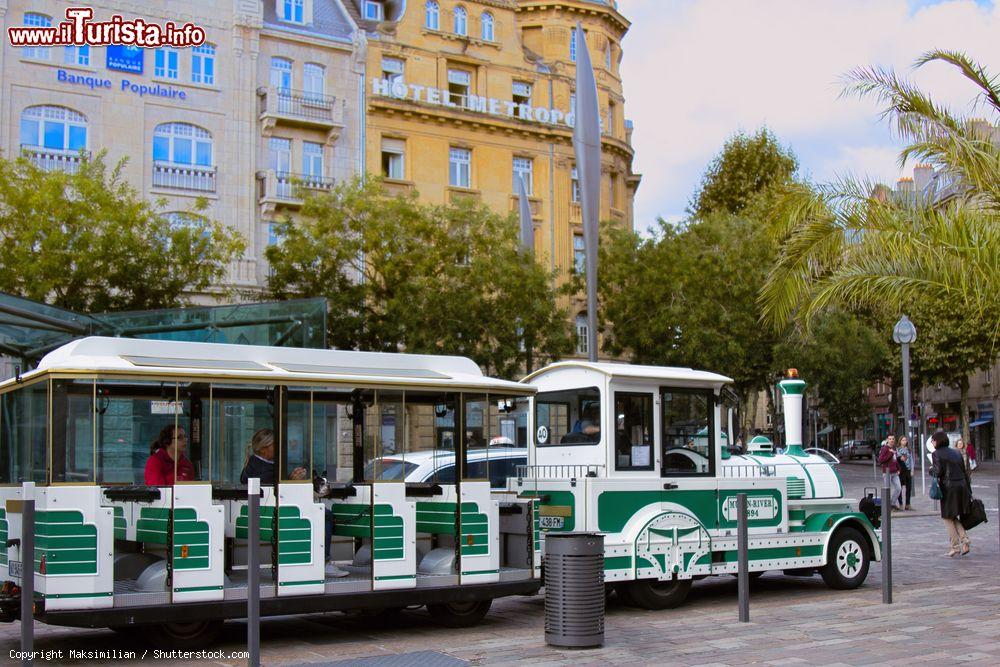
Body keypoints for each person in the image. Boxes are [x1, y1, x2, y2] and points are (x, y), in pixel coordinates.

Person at [240, 429, 348, 578]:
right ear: (264, 448)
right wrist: (291, 480)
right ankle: (323, 561)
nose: (279, 448)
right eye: (275, 445)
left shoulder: (252, 464)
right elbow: (276, 491)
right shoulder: (266, 468)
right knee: (325, 515)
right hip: (274, 515)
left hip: (263, 514)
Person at [930, 430, 971, 556]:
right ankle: (965, 540)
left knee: (947, 517)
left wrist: (930, 469)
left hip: (949, 488)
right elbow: (964, 471)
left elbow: (938, 472)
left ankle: (955, 546)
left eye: (932, 440)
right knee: (952, 516)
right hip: (962, 486)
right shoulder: (957, 452)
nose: (931, 442)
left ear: (937, 441)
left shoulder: (936, 454)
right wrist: (969, 490)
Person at [877, 434, 902, 511]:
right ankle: (887, 506)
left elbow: (895, 460)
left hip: (895, 472)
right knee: (887, 489)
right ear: (887, 440)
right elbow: (880, 460)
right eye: (890, 439)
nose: (892, 440)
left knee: (898, 488)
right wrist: (890, 453)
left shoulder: (894, 448)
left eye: (893, 439)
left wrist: (899, 469)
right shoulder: (884, 448)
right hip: (887, 472)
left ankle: (892, 503)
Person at [896, 436, 913, 510]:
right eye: (903, 440)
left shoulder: (908, 450)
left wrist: (912, 470)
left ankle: (908, 504)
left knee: (909, 487)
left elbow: (911, 460)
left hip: (908, 470)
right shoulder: (898, 450)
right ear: (900, 441)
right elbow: (896, 460)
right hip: (901, 470)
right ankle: (900, 503)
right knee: (900, 487)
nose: (904, 441)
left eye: (905, 440)